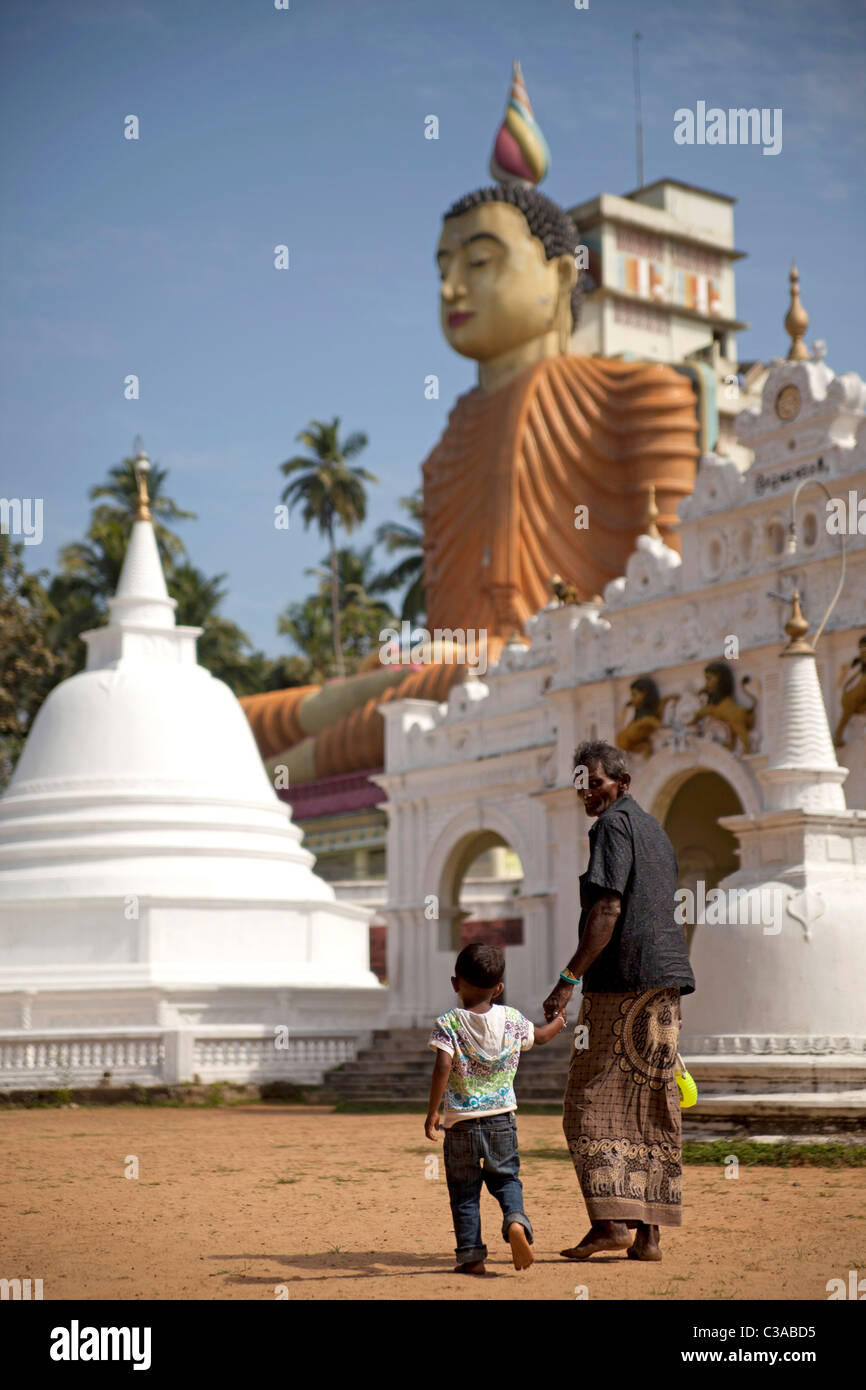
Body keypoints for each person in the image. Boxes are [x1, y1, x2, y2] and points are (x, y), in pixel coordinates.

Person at [543, 739, 696, 1263]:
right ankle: (650, 1236)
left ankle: (609, 1222)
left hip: (621, 983)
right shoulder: (654, 830)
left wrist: (568, 977)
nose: (588, 792)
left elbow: (606, 910)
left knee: (584, 1104)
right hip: (664, 983)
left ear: (621, 783)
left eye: (597, 782)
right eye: (581, 783)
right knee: (654, 1101)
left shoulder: (611, 826)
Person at [425, 942, 567, 1275]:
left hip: (460, 1124)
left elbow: (442, 1067)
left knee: (464, 1192)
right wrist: (559, 1022)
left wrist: (433, 1110)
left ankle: (472, 1257)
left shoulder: (448, 1024)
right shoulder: (514, 1019)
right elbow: (542, 1037)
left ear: (455, 983)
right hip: (502, 1120)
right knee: (507, 1180)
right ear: (499, 988)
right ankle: (515, 1221)